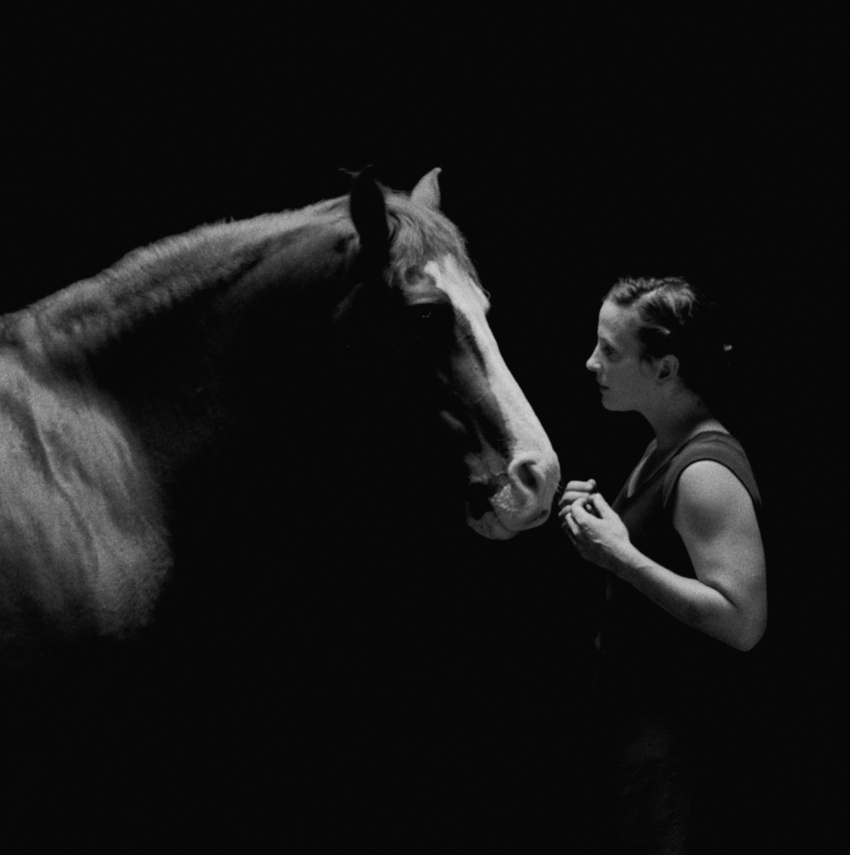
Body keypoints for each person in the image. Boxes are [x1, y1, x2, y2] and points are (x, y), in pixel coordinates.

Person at [560, 277, 768, 853]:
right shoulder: (662, 442)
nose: (591, 362)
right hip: (630, 726)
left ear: (665, 369)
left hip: (668, 743)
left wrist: (620, 555)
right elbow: (656, 553)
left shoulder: (704, 471)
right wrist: (605, 527)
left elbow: (743, 622)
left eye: (610, 350)